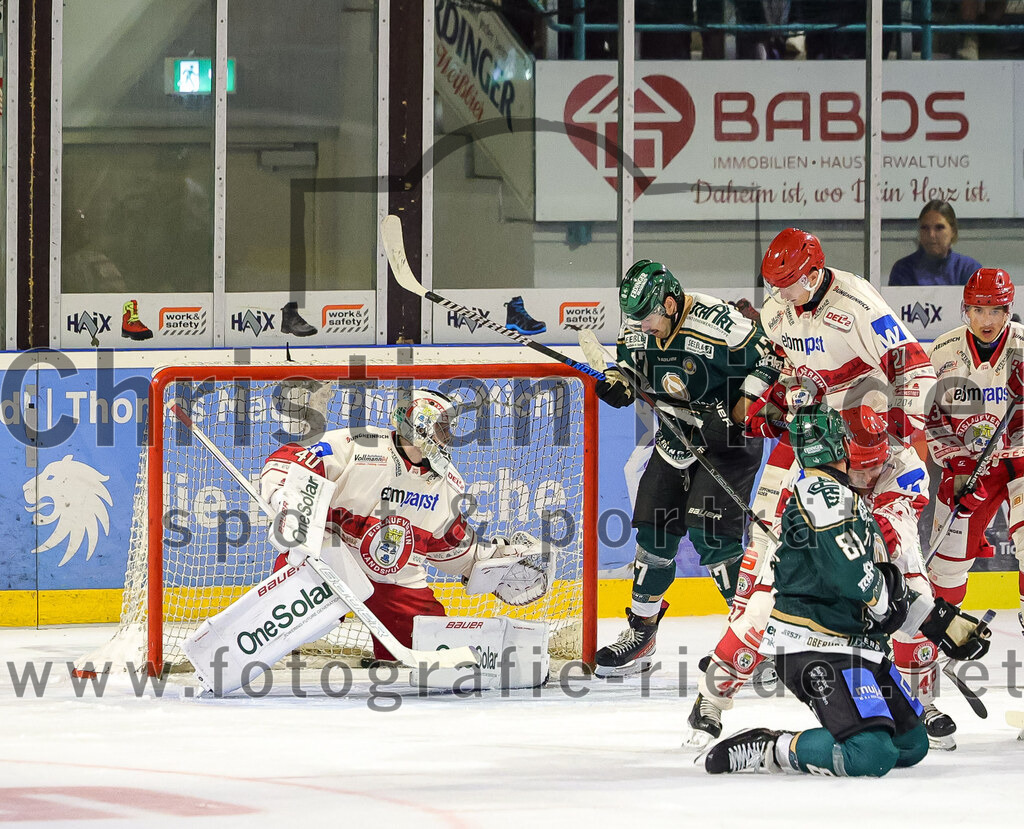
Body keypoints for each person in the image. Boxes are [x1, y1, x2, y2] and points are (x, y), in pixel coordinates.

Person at [688, 227, 938, 742]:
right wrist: (766, 407)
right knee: (761, 583)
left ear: (816, 270)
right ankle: (714, 694)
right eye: (776, 285)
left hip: (877, 442)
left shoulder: (857, 301)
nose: (784, 294)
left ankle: (924, 702)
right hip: (819, 451)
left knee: (909, 581)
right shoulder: (778, 310)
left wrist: (898, 427)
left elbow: (915, 369)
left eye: (792, 282)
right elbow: (784, 375)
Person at [701, 404, 993, 776]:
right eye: (860, 465)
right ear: (843, 449)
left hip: (856, 643)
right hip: (815, 644)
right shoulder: (821, 492)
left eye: (874, 466)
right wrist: (904, 610)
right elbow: (859, 579)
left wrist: (941, 622)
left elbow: (883, 578)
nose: (868, 477)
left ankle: (872, 717)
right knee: (871, 755)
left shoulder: (853, 494)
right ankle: (770, 747)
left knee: (911, 744)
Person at [591, 259, 782, 677]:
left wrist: (738, 412)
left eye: (649, 317)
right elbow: (630, 367)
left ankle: (754, 642)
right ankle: (642, 634)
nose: (642, 327)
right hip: (676, 437)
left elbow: (771, 358)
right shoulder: (640, 324)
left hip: (729, 438)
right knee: (654, 534)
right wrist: (620, 381)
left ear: (671, 304)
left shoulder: (719, 323)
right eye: (635, 319)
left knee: (714, 539)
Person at [258, 388, 549, 661]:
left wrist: (491, 565)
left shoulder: (445, 484)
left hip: (395, 581)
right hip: (327, 562)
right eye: (442, 427)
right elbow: (288, 462)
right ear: (421, 423)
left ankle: (395, 658)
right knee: (273, 634)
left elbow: (449, 543)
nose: (449, 436)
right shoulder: (360, 443)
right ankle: (254, 642)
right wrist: (285, 498)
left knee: (433, 653)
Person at [926, 267, 1024, 714]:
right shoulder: (943, 351)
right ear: (965, 309)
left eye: (997, 310)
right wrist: (956, 465)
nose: (987, 319)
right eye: (978, 310)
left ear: (1009, 309)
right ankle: (924, 681)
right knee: (943, 575)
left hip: (1020, 460)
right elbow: (933, 420)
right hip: (969, 467)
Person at [888, 201, 981, 286]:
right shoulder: (903, 269)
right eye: (925, 228)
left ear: (953, 231)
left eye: (939, 227)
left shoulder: (969, 269)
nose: (931, 235)